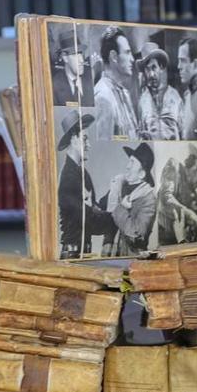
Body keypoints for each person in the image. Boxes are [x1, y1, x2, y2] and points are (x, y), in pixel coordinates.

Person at [56, 111, 97, 258]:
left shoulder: (83, 173)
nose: (89, 145)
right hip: (72, 256)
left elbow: (94, 207)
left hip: (82, 253)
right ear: (73, 139)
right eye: (85, 139)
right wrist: (115, 217)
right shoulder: (68, 177)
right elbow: (87, 218)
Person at [93, 26, 139, 140]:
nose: (132, 59)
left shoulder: (124, 93)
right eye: (127, 53)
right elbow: (103, 151)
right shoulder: (103, 97)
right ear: (114, 56)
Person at [111, 142, 158, 255]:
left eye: (132, 162)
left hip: (134, 259)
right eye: (129, 161)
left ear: (141, 174)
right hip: (116, 255)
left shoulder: (149, 200)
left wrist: (121, 208)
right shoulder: (121, 188)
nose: (127, 166)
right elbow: (106, 216)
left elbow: (135, 235)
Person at [136, 42, 182, 140]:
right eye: (147, 69)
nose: (151, 74)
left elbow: (184, 134)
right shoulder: (143, 101)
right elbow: (140, 135)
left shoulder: (175, 97)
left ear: (161, 67)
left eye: (154, 67)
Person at [51, 30, 94, 107]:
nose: (81, 60)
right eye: (75, 54)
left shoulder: (92, 78)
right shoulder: (54, 86)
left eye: (80, 53)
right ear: (65, 58)